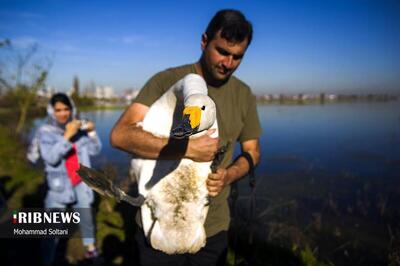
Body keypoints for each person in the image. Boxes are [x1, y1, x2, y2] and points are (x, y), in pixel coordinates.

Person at [110, 9, 261, 266]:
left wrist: (229, 175)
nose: (228, 63)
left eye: (237, 57)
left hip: (212, 230)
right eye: (222, 51)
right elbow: (120, 135)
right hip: (157, 224)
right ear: (204, 41)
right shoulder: (165, 81)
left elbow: (253, 151)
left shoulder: (243, 94)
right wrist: (187, 149)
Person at [28, 93, 101, 265]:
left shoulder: (78, 129)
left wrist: (91, 132)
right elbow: (51, 158)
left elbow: (95, 150)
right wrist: (67, 136)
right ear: (51, 111)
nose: (63, 113)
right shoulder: (45, 132)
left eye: (66, 109)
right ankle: (47, 259)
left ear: (72, 109)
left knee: (85, 215)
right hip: (59, 185)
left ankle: (91, 250)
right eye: (58, 110)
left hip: (81, 182)